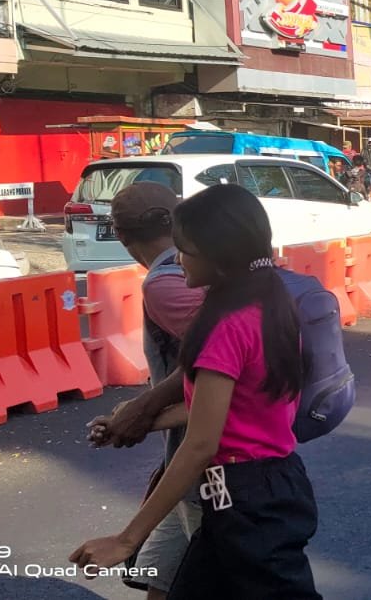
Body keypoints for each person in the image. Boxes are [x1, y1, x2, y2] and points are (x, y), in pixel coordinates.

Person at [72, 184, 319, 598]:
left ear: (216, 255)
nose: (177, 259)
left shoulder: (226, 325)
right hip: (265, 487)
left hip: (245, 498)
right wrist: (137, 422)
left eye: (184, 249)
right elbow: (228, 408)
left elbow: (202, 442)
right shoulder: (271, 305)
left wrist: (126, 540)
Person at [86, 183, 205, 600]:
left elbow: (225, 379)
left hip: (211, 466)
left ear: (121, 234)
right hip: (185, 465)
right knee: (162, 578)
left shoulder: (166, 284)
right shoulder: (205, 274)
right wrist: (136, 414)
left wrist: (142, 412)